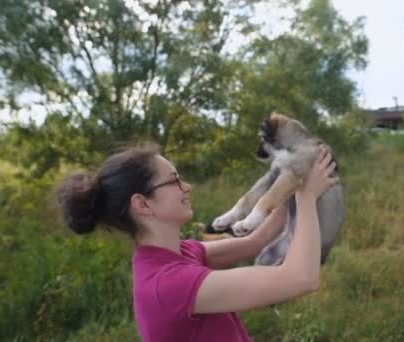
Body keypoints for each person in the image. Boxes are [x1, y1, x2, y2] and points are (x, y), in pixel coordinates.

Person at [57, 143, 338, 341]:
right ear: (142, 204)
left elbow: (256, 241)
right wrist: (307, 197)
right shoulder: (168, 286)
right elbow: (302, 278)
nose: (187, 187)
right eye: (175, 181)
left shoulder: (177, 253)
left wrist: (291, 186)